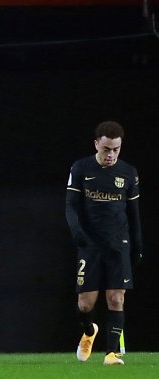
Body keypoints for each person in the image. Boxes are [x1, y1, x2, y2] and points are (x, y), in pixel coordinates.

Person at [66, 121, 142, 366]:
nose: (111, 155)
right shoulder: (81, 168)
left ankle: (111, 352)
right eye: (106, 149)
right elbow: (71, 205)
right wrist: (76, 230)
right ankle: (89, 332)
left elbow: (134, 212)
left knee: (116, 298)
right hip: (89, 244)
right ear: (96, 144)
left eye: (116, 150)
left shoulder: (128, 173)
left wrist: (137, 244)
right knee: (85, 304)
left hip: (118, 243)